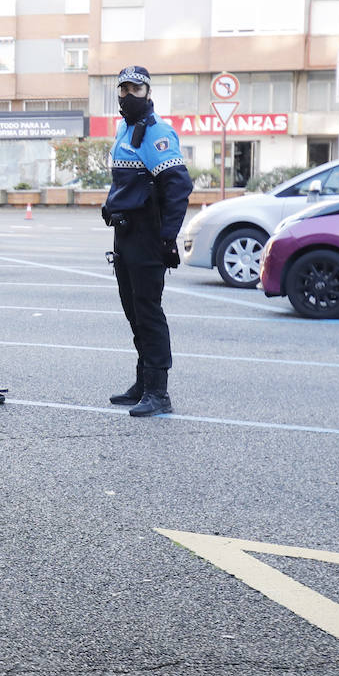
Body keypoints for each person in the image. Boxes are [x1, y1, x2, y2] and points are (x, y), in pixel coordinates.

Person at [103, 66, 194, 417]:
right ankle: (143, 383)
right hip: (125, 235)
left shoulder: (157, 133)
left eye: (135, 90)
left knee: (149, 313)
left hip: (147, 235)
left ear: (148, 93)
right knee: (133, 311)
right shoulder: (126, 129)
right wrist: (110, 204)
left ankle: (159, 392)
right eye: (123, 89)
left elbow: (178, 187)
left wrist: (168, 238)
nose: (128, 96)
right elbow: (129, 182)